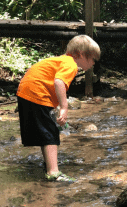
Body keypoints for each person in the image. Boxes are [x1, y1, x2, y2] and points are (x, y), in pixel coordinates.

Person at [16, 35, 101, 182]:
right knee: (50, 133)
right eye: (93, 59)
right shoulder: (71, 64)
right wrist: (64, 107)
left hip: (26, 91)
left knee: (46, 131)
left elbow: (48, 81)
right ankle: (53, 172)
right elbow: (59, 82)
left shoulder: (61, 60)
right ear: (80, 54)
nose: (93, 63)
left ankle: (48, 163)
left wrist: (54, 109)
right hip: (37, 93)